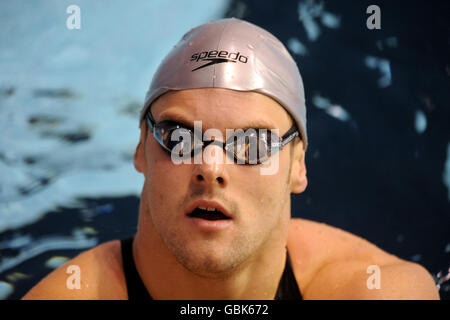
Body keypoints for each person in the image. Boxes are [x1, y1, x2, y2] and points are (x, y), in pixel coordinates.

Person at [22, 18, 439, 300]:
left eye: (253, 145)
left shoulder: (375, 291)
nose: (212, 168)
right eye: (179, 137)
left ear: (297, 166)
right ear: (140, 150)